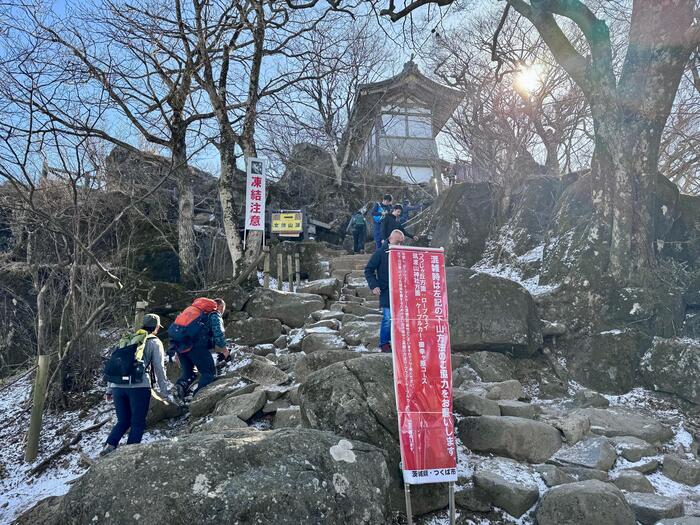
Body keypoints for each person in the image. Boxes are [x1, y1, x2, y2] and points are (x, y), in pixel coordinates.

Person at [101, 313, 170, 456]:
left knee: (123, 420)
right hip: (139, 387)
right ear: (156, 327)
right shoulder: (154, 342)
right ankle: (129, 454)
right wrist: (164, 392)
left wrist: (109, 390)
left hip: (117, 387)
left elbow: (116, 366)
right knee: (137, 422)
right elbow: (159, 368)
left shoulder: (127, 340)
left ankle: (109, 445)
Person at [174, 298, 229, 400]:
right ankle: (197, 399)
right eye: (223, 310)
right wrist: (224, 350)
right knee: (208, 373)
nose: (222, 313)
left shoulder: (193, 312)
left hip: (182, 347)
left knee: (188, 373)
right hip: (196, 347)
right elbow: (218, 333)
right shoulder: (214, 314)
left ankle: (179, 391)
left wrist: (177, 351)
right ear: (220, 306)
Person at [364, 229, 405, 353]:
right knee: (388, 318)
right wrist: (374, 285)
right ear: (391, 239)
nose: (400, 245)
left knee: (401, 318)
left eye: (401, 243)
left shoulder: (403, 252)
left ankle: (399, 341)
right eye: (398, 242)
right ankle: (384, 344)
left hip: (402, 291)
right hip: (386, 290)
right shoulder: (381, 252)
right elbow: (368, 270)